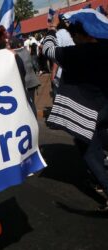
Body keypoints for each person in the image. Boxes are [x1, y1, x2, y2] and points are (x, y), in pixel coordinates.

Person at [42, 10, 108, 210]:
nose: (72, 37)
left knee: (89, 150)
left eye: (74, 35)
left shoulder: (74, 53)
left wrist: (52, 29)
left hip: (85, 112)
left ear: (81, 34)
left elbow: (47, 49)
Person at [10, 37, 41, 116]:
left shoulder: (13, 55)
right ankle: (35, 119)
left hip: (25, 82)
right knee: (32, 102)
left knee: (28, 104)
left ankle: (33, 121)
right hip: (33, 80)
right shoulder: (25, 51)